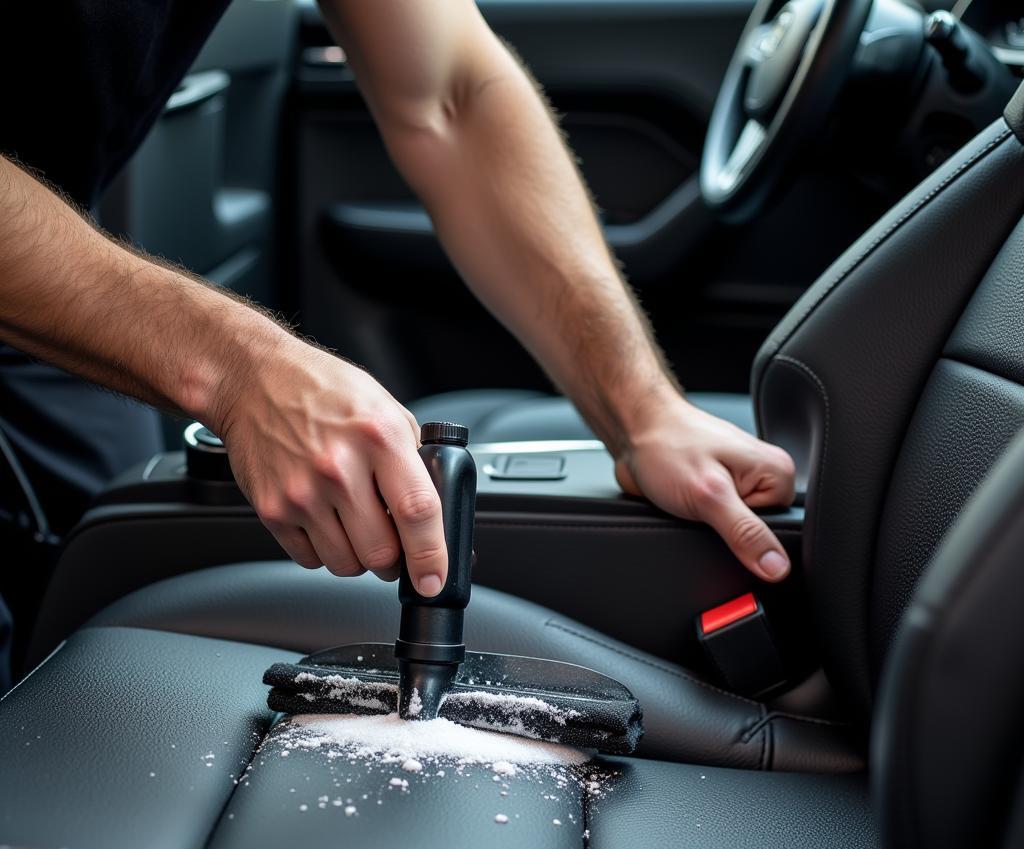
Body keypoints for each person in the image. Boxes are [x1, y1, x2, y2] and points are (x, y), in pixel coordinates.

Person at [0, 0, 795, 687]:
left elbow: (450, 92)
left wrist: (642, 411)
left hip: (54, 270)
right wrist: (241, 366)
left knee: (87, 581)